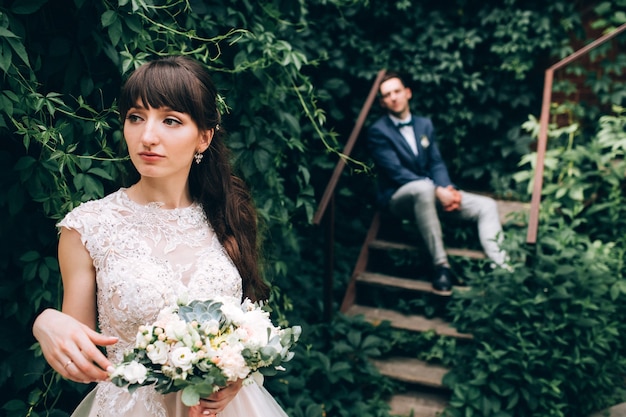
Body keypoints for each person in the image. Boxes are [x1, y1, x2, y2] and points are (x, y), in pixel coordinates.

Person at [32, 56, 289, 417]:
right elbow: (79, 363)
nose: (147, 136)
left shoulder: (228, 215)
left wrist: (235, 374)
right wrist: (45, 322)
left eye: (170, 120)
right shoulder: (88, 227)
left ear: (204, 137)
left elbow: (244, 332)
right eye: (136, 117)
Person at [366, 71, 507, 295]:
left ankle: (503, 268)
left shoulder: (424, 125)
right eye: (387, 95)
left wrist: (446, 188)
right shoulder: (378, 131)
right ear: (383, 102)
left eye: (397, 91)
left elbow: (436, 162)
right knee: (422, 188)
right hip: (398, 197)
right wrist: (434, 190)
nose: (393, 97)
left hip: (432, 191)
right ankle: (441, 267)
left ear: (407, 93)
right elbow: (396, 172)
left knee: (487, 205)